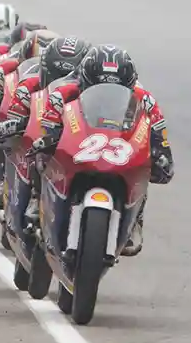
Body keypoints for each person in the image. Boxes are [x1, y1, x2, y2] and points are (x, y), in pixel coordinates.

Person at [30, 44, 175, 257]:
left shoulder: (145, 99)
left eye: (117, 87)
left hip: (121, 144)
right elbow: (48, 117)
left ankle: (135, 220)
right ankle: (36, 199)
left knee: (145, 170)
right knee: (37, 154)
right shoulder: (65, 91)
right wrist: (49, 135)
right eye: (99, 84)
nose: (107, 92)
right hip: (82, 140)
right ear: (86, 80)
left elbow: (158, 129)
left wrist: (161, 152)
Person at [0, 35, 92, 209]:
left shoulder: (86, 92)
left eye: (68, 76)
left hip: (76, 136)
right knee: (8, 139)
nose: (61, 82)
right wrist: (14, 124)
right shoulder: (27, 86)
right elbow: (12, 116)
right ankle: (17, 186)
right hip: (41, 133)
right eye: (57, 76)